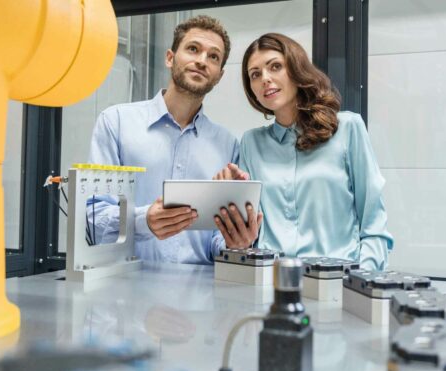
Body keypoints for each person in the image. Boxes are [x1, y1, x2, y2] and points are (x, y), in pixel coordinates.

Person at [87, 15, 261, 264]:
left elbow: (215, 243)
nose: (202, 61)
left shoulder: (228, 144)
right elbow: (93, 219)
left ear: (219, 76)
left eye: (213, 57)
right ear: (170, 58)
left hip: (202, 286)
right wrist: (143, 220)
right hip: (125, 282)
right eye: (193, 49)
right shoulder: (116, 122)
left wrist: (235, 243)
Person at [214, 33, 393, 270]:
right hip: (269, 282)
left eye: (275, 66)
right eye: (255, 74)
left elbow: (374, 226)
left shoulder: (348, 128)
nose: (265, 79)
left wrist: (360, 280)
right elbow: (248, 235)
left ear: (296, 69)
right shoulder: (251, 143)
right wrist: (229, 201)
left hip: (338, 281)